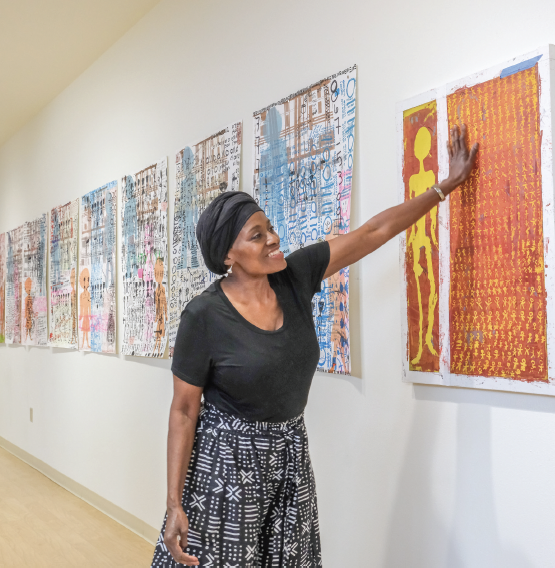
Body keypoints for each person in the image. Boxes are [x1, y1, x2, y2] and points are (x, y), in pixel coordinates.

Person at [151, 126, 478, 567]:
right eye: (256, 235)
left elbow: (372, 233)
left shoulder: (293, 276)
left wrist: (445, 187)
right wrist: (174, 501)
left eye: (269, 227)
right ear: (227, 255)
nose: (273, 238)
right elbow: (184, 411)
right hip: (227, 467)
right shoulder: (203, 316)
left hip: (289, 453)